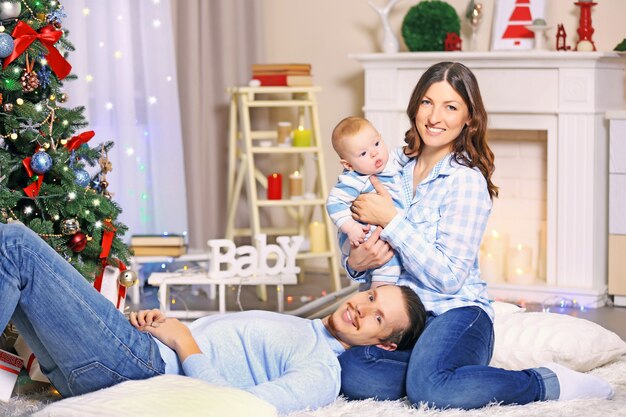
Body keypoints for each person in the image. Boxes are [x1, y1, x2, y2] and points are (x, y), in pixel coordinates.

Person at [338, 61, 614, 408]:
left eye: (450, 107)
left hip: (456, 311)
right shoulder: (388, 165)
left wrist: (393, 221)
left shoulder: (465, 181)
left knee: (431, 390)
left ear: (469, 117)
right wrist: (353, 261)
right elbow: (352, 229)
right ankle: (441, 371)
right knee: (354, 370)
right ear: (415, 106)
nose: (435, 117)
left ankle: (546, 381)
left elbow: (450, 277)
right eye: (427, 102)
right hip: (403, 318)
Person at [0, 222, 426, 415]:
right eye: (370, 295)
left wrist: (183, 342)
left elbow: (242, 408)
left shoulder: (322, 371)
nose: (361, 308)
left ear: (384, 343)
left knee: (16, 246)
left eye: (376, 317)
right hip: (144, 352)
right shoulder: (306, 326)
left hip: (143, 369)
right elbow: (218, 347)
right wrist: (164, 327)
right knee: (15, 257)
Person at [326, 116, 408, 287]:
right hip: (363, 237)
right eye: (363, 153)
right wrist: (351, 227)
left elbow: (406, 153)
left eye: (376, 143)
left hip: (387, 231)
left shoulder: (391, 160)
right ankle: (378, 296)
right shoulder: (354, 179)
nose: (374, 153)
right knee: (388, 267)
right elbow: (334, 203)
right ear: (348, 165)